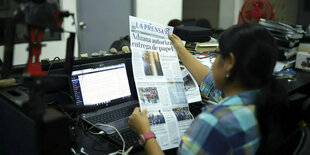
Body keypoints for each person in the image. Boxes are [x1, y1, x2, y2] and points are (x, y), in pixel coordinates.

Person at [128, 24, 293, 155]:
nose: (213, 63)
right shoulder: (262, 100)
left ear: (229, 62)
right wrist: (181, 51)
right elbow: (209, 81)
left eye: (216, 54)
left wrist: (146, 134)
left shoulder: (214, 123)